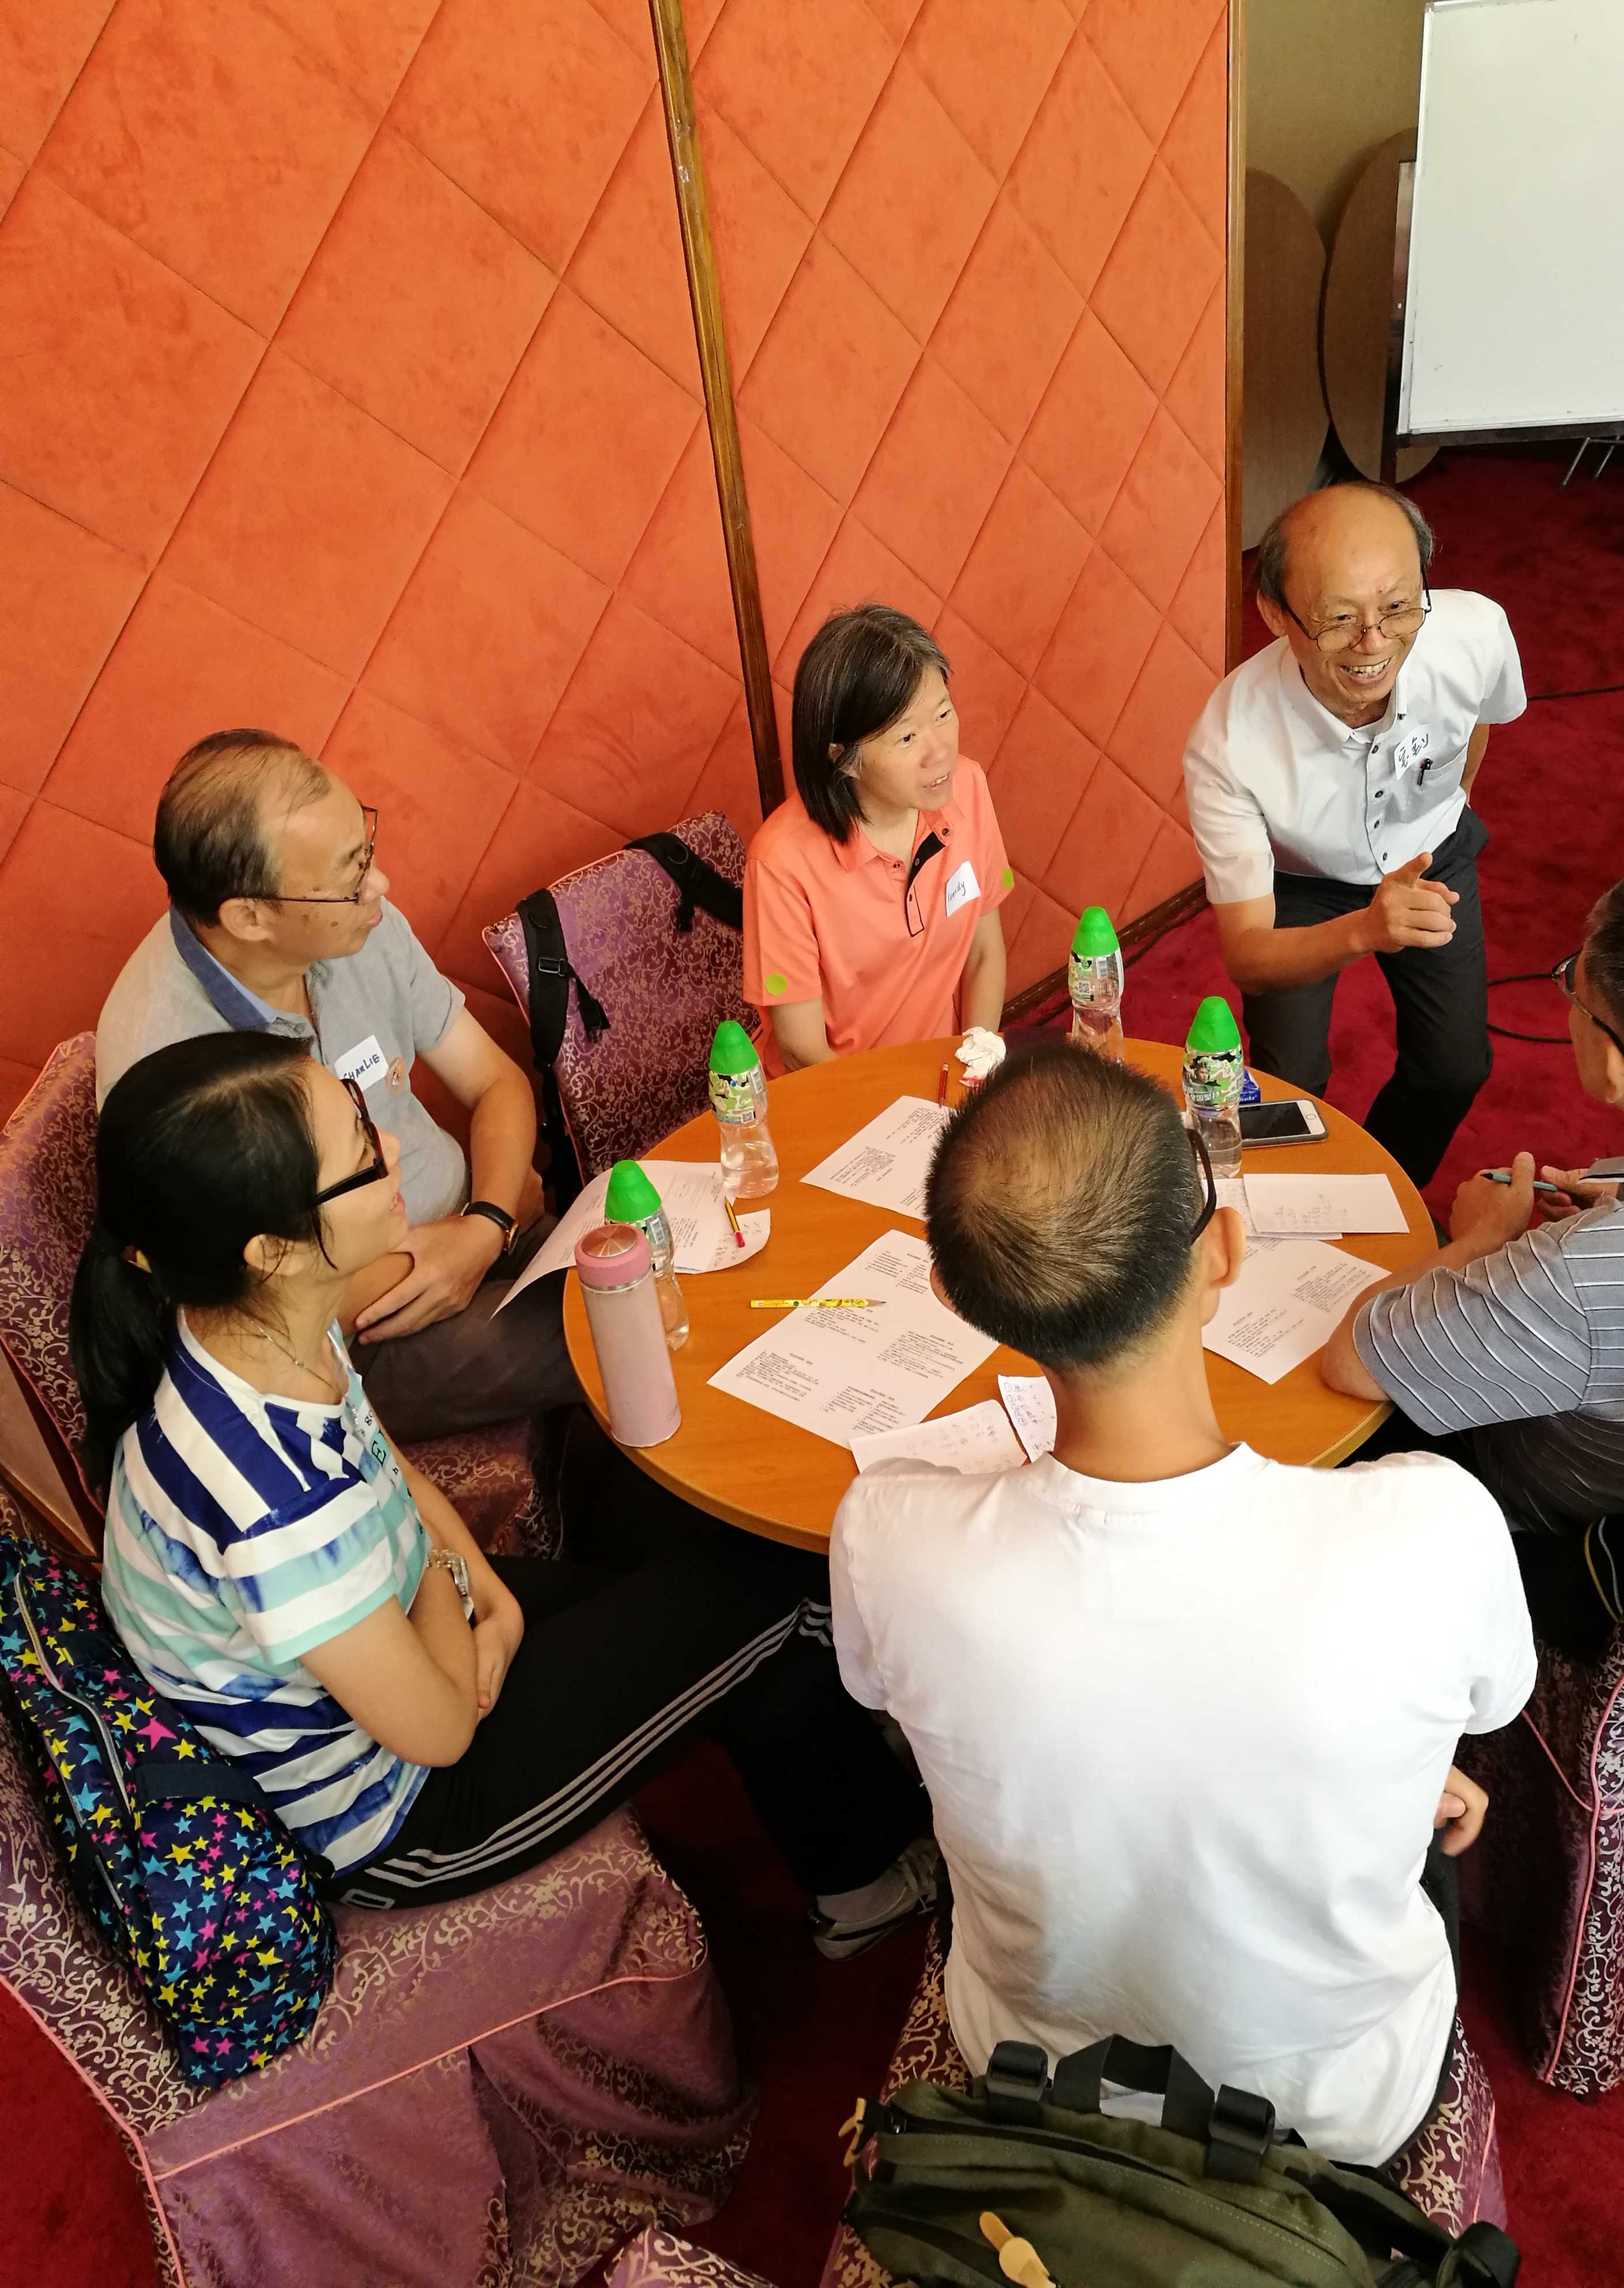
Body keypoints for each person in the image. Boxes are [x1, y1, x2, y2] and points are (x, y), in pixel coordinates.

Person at [831, 1046, 1535, 2165]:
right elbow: (1489, 1704)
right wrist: (1381, 1759)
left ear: (963, 1303)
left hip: (1029, 2064)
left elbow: (897, 1694)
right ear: (1224, 1249)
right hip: (1342, 2102)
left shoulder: (887, 1534)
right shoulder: (1431, 1528)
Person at [70, 1032, 936, 1941]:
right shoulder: (269, 1502)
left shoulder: (264, 1327)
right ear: (272, 1250)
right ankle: (868, 1881)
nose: (392, 1145)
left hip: (403, 1631)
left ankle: (850, 1836)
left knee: (715, 1582)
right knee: (777, 1597)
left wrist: (486, 1594)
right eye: (362, 1152)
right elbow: (441, 1730)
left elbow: (386, 1468)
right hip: (408, 1816)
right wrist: (463, 1588)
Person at [97, 730, 569, 1443]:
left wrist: (487, 1222)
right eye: (350, 875)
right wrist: (456, 1248)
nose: (379, 885)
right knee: (617, 1323)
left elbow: (495, 1080)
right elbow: (245, 1322)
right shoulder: (170, 1066)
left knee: (660, 1261)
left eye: (365, 850)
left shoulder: (353, 924)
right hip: (366, 1332)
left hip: (484, 1220)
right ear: (249, 916)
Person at [1323, 861, 1624, 1655]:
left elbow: (1353, 1362)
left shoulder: (1585, 1274)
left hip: (1543, 1533)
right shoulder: (1619, 1258)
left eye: (1575, 984)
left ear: (1615, 1066)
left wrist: (1479, 1240)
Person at [1182, 483, 1527, 1187]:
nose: (1373, 642)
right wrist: (1366, 928)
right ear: (1274, 612)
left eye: (1397, 606)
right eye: (1339, 618)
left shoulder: (1475, 631)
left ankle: (1384, 1188)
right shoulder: (1229, 740)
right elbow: (1248, 954)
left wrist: (1452, 805)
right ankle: (1290, 1205)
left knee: (1456, 1066)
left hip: (1432, 852)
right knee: (1292, 1078)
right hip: (1299, 881)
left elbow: (1476, 723)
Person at [742, 606, 1011, 1075]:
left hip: (944, 1076)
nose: (940, 751)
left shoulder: (968, 786)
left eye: (943, 713)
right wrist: (902, 1109)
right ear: (843, 758)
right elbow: (802, 1049)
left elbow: (983, 954)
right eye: (907, 738)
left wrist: (976, 1068)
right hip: (840, 1094)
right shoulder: (780, 863)